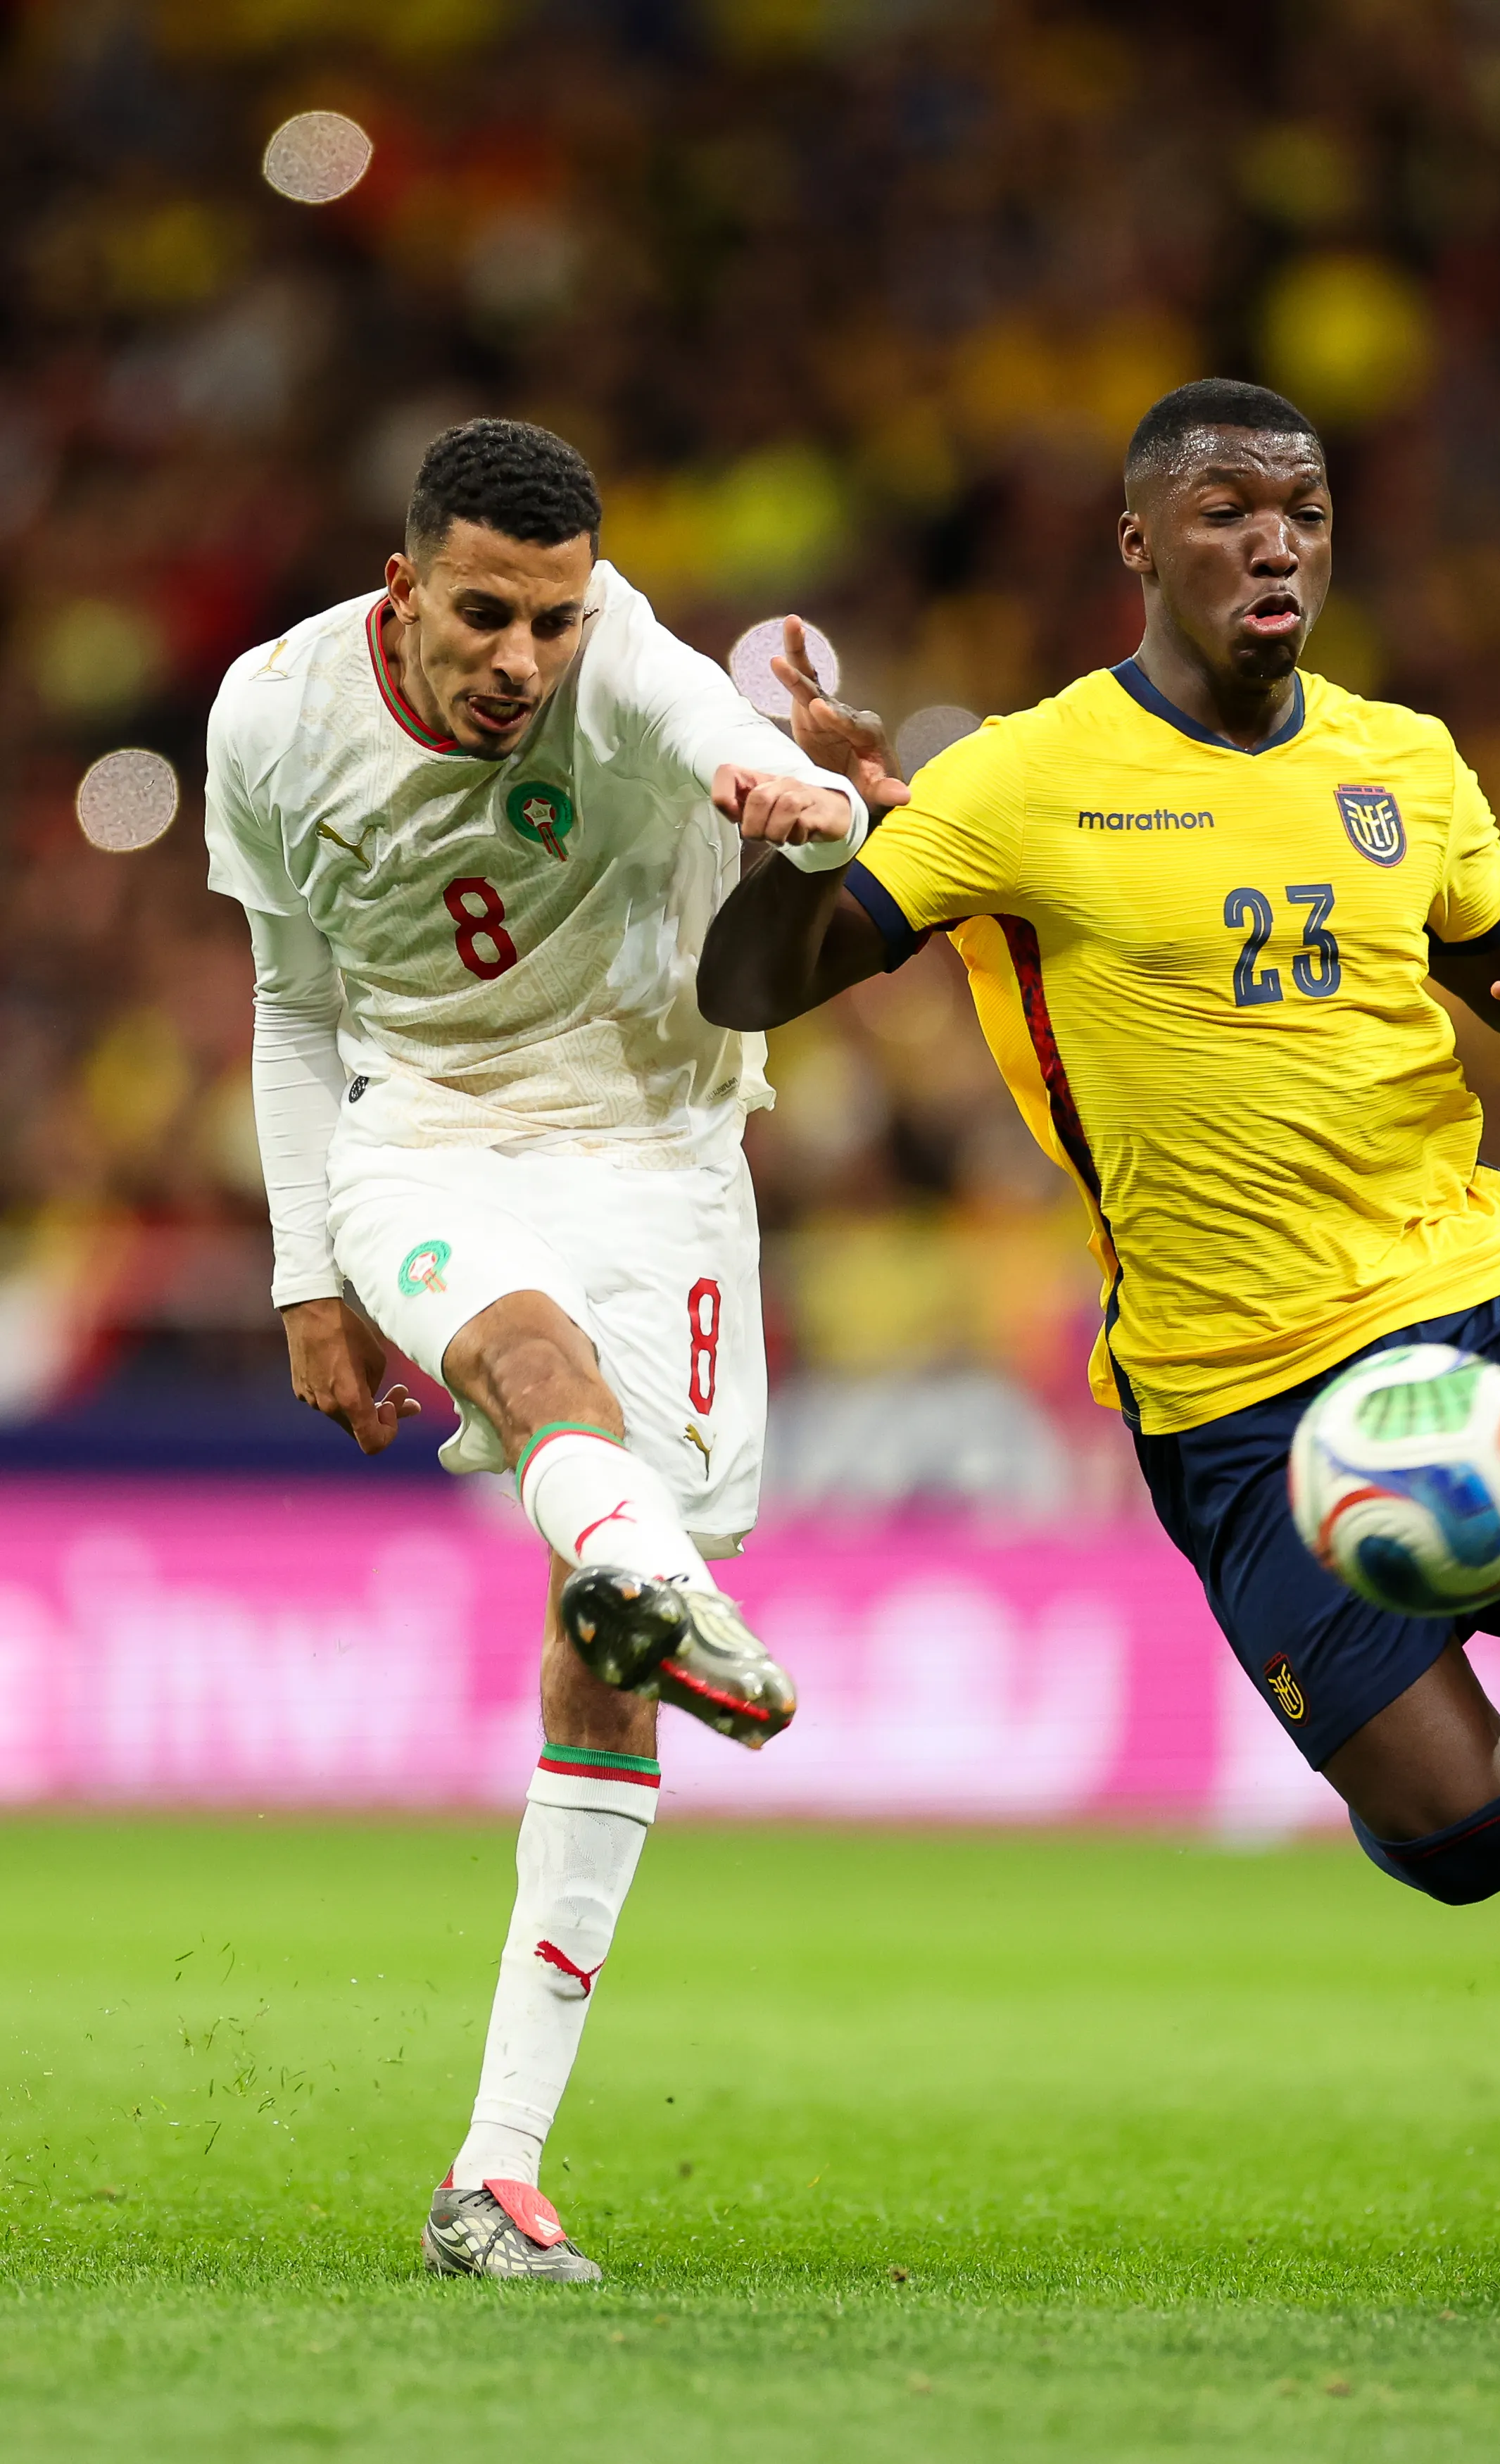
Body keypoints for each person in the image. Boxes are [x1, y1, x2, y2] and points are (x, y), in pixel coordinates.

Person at [697, 377, 1500, 2292]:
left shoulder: (1404, 763)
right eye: (1225, 511)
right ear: (1139, 544)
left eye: (1300, 507)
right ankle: (1422, 1757)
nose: (1274, 541)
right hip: (1236, 1395)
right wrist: (796, 832)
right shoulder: (1020, 783)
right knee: (1465, 1830)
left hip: (1463, 1287)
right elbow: (746, 988)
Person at [206, 417, 865, 2282]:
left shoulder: (623, 658)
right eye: (485, 616)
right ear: (402, 590)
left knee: (607, 1632)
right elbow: (288, 996)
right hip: (427, 1127)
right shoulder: (269, 719)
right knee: (535, 1369)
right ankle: (654, 1570)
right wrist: (301, 1272)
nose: (524, 662)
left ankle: (494, 2167)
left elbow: (721, 743)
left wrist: (797, 802)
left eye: (554, 623)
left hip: (661, 1144)